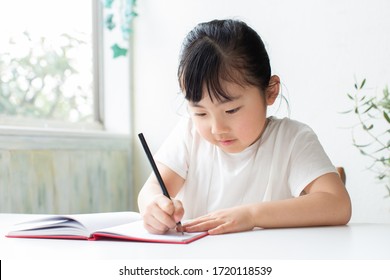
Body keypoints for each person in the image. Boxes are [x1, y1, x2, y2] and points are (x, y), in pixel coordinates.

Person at [137, 19, 352, 235]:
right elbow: (152, 189)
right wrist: (154, 206)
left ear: (270, 91)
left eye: (231, 111)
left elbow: (338, 204)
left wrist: (251, 215)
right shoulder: (189, 133)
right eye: (201, 113)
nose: (217, 128)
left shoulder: (292, 139)